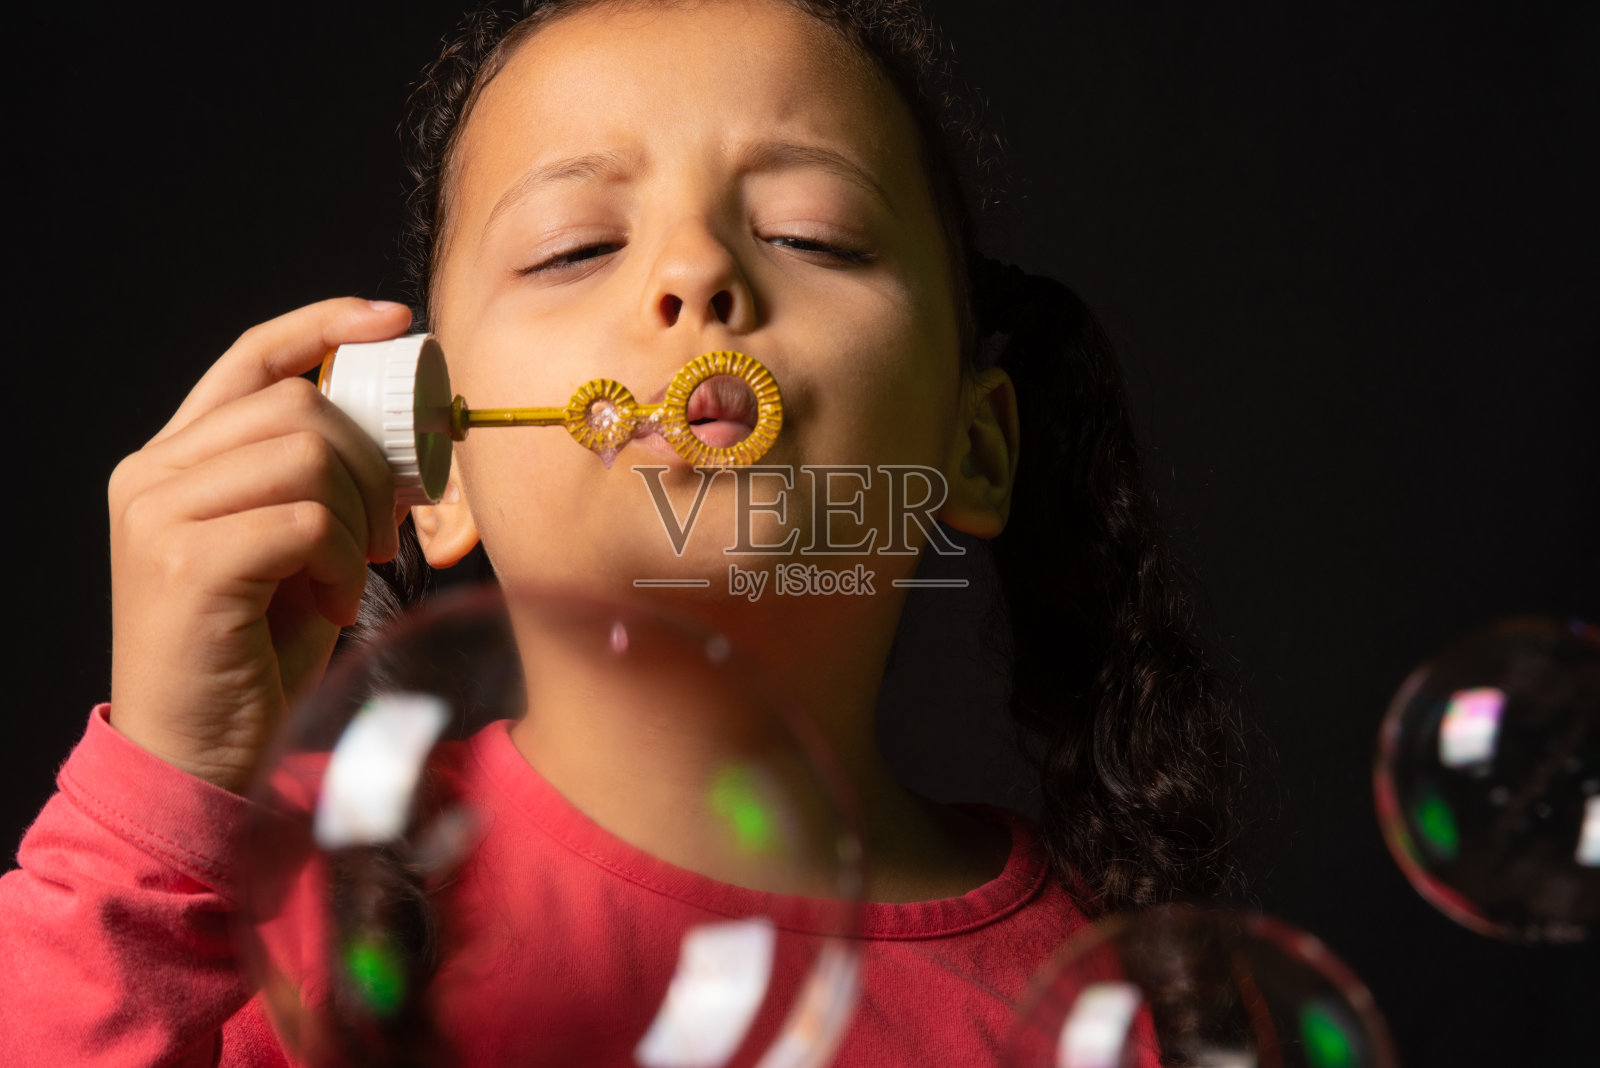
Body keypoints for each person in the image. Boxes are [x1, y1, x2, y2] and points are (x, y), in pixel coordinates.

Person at [0, 0, 1245, 1064]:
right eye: (574, 248)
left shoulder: (1126, 1010)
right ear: (434, 468)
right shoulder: (274, 909)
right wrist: (157, 810)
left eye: (810, 235)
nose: (695, 272)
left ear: (973, 449)